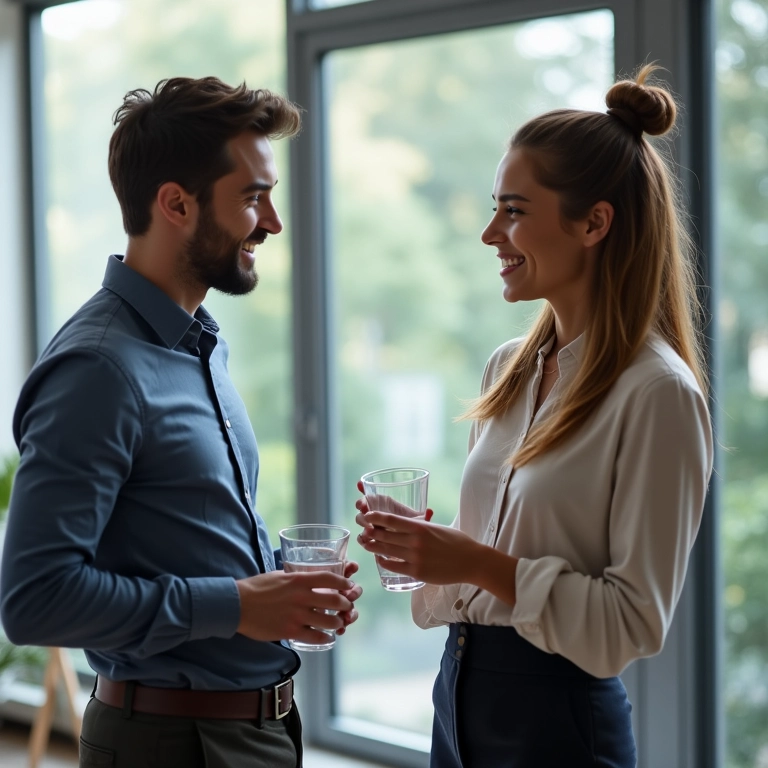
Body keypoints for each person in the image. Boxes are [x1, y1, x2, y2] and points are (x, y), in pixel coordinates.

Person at [355, 65, 713, 768]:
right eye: (496, 207)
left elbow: (631, 625)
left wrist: (477, 562)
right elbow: (486, 568)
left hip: (558, 727)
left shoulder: (657, 394)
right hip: (457, 702)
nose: (491, 233)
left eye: (514, 210)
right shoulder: (505, 369)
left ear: (594, 223)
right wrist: (428, 554)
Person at [0, 76, 362, 768]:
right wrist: (235, 605)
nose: (274, 222)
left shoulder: (200, 342)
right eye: (254, 198)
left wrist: (281, 589)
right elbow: (35, 600)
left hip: (252, 732)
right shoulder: (99, 370)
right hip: (172, 744)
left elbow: (175, 536)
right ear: (175, 203)